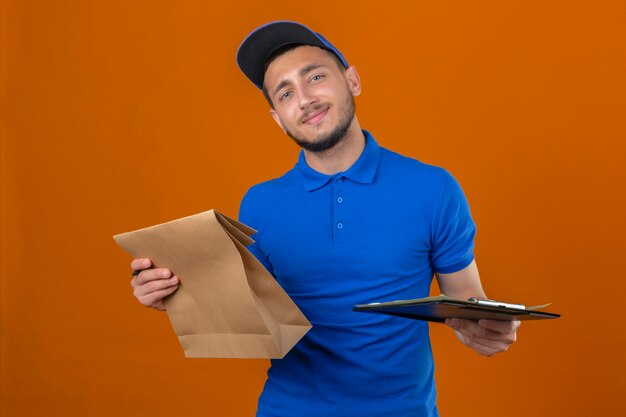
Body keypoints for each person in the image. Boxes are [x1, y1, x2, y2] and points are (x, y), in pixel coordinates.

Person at [129, 21, 519, 417]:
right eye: (285, 93)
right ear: (277, 118)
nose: (304, 99)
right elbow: (251, 313)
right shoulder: (260, 203)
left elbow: (467, 298)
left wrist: (489, 326)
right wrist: (173, 295)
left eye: (315, 76)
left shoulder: (434, 188)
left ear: (352, 80)